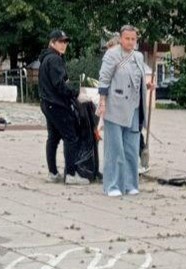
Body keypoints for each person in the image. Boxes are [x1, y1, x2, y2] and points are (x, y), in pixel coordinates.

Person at [97, 25, 152, 197]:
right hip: (115, 106)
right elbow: (104, 79)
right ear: (121, 38)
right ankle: (112, 185)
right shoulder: (112, 54)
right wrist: (102, 102)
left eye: (133, 39)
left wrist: (147, 86)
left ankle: (130, 184)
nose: (130, 42)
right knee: (115, 149)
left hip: (134, 108)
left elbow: (138, 79)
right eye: (127, 38)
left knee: (130, 148)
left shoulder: (138, 56)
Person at [38, 29, 89, 186]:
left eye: (66, 42)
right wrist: (75, 93)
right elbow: (59, 85)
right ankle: (71, 175)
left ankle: (53, 173)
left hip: (47, 103)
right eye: (61, 41)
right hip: (57, 104)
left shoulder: (46, 59)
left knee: (53, 138)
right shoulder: (54, 60)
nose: (64, 44)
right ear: (52, 42)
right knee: (70, 137)